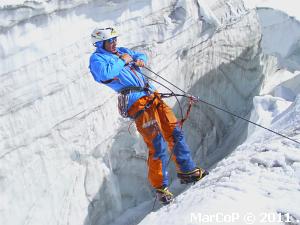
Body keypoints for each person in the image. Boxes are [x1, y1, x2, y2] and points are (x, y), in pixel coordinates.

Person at [89, 27, 208, 205]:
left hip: (152, 95)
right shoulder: (97, 59)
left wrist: (139, 60)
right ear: (100, 43)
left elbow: (139, 55)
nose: (115, 43)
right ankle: (161, 188)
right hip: (137, 103)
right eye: (110, 41)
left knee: (175, 132)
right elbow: (105, 74)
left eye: (115, 39)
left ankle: (188, 171)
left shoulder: (121, 51)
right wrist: (123, 61)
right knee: (156, 143)